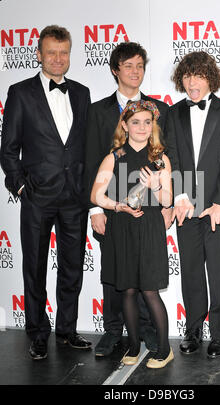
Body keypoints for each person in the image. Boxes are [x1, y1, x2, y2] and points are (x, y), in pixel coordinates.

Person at [0, 25, 92, 360]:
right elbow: (8, 149)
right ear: (38, 54)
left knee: (73, 267)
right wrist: (21, 185)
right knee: (35, 268)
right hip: (37, 197)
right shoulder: (20, 92)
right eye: (51, 52)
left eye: (63, 52)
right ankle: (37, 333)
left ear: (70, 55)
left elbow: (84, 146)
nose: (57, 58)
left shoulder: (82, 93)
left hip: (75, 198)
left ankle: (67, 330)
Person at [84, 41, 177, 357]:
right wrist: (101, 207)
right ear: (115, 70)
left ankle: (153, 338)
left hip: (150, 218)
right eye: (128, 65)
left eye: (140, 65)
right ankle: (116, 335)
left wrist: (170, 202)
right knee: (119, 281)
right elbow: (92, 165)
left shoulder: (158, 111)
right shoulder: (99, 113)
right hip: (116, 217)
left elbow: (171, 162)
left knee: (147, 283)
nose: (135, 72)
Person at [169, 51, 220, 358]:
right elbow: (171, 156)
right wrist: (181, 196)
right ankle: (194, 329)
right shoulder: (173, 114)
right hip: (186, 207)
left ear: (210, 78)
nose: (192, 82)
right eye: (187, 76)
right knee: (191, 271)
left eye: (199, 76)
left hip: (219, 209)